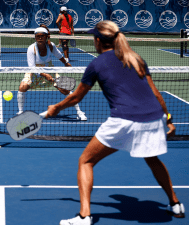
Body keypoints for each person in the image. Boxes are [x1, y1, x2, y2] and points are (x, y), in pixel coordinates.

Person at [44, 21, 185, 225]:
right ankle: (175, 204)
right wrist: (169, 120)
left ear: (99, 40)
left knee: (86, 161)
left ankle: (84, 216)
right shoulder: (136, 59)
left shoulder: (97, 64)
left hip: (124, 119)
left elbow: (75, 98)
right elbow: (155, 93)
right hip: (153, 118)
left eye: (94, 37)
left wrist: (56, 108)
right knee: (152, 158)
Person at [17, 25, 87, 121]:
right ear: (35, 37)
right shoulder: (31, 48)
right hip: (34, 71)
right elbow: (32, 67)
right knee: (22, 87)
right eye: (38, 36)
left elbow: (59, 55)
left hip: (49, 69)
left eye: (42, 36)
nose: (40, 38)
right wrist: (44, 75)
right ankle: (20, 112)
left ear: (46, 37)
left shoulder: (51, 46)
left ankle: (79, 112)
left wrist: (66, 63)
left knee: (65, 90)